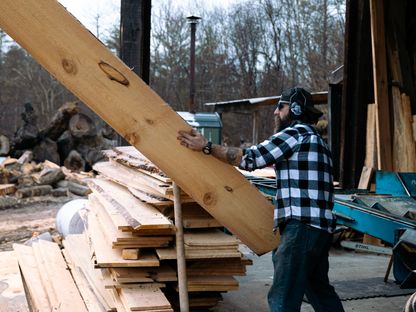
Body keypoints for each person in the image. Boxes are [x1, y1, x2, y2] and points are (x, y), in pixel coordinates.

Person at [177, 87, 344, 312]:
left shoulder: (295, 134)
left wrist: (206, 147)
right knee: (320, 291)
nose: (275, 112)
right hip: (320, 230)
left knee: (282, 297)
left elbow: (250, 159)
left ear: (294, 109)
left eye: (280, 107)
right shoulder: (318, 141)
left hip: (301, 229)